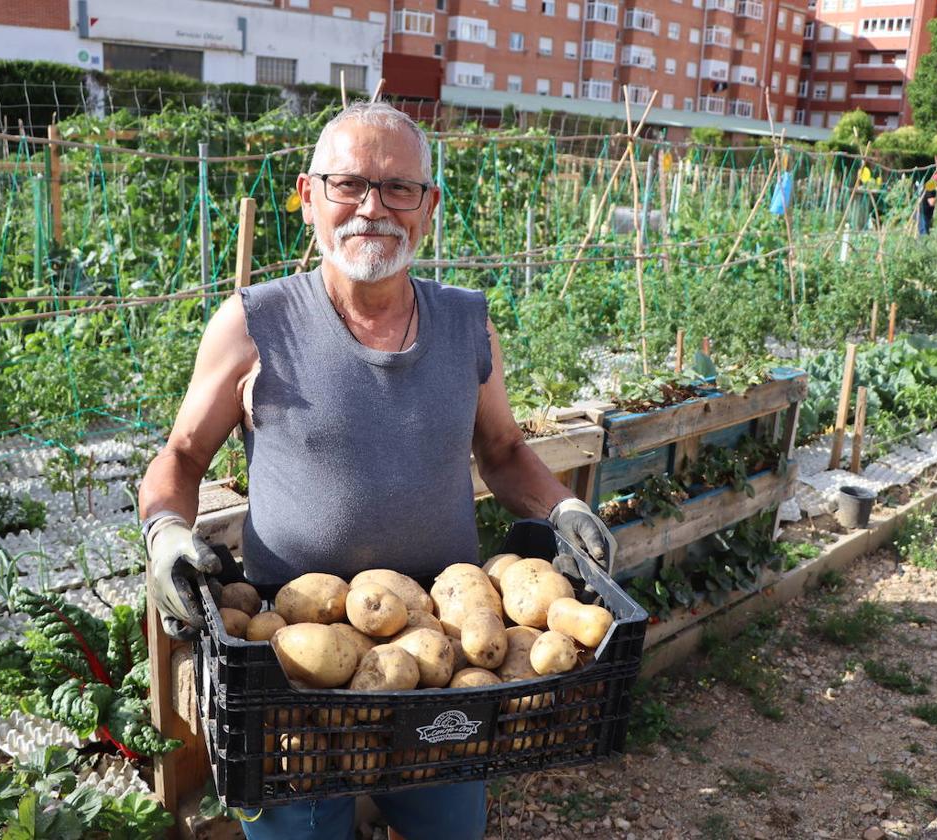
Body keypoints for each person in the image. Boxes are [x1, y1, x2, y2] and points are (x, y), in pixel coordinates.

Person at [137, 101, 615, 840]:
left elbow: (505, 452)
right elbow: (181, 458)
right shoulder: (253, 322)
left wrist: (563, 512)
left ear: (429, 206)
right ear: (306, 198)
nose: (372, 208)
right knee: (298, 831)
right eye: (348, 184)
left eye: (398, 188)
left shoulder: (466, 323)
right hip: (291, 660)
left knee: (447, 827)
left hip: (447, 647)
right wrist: (167, 532)